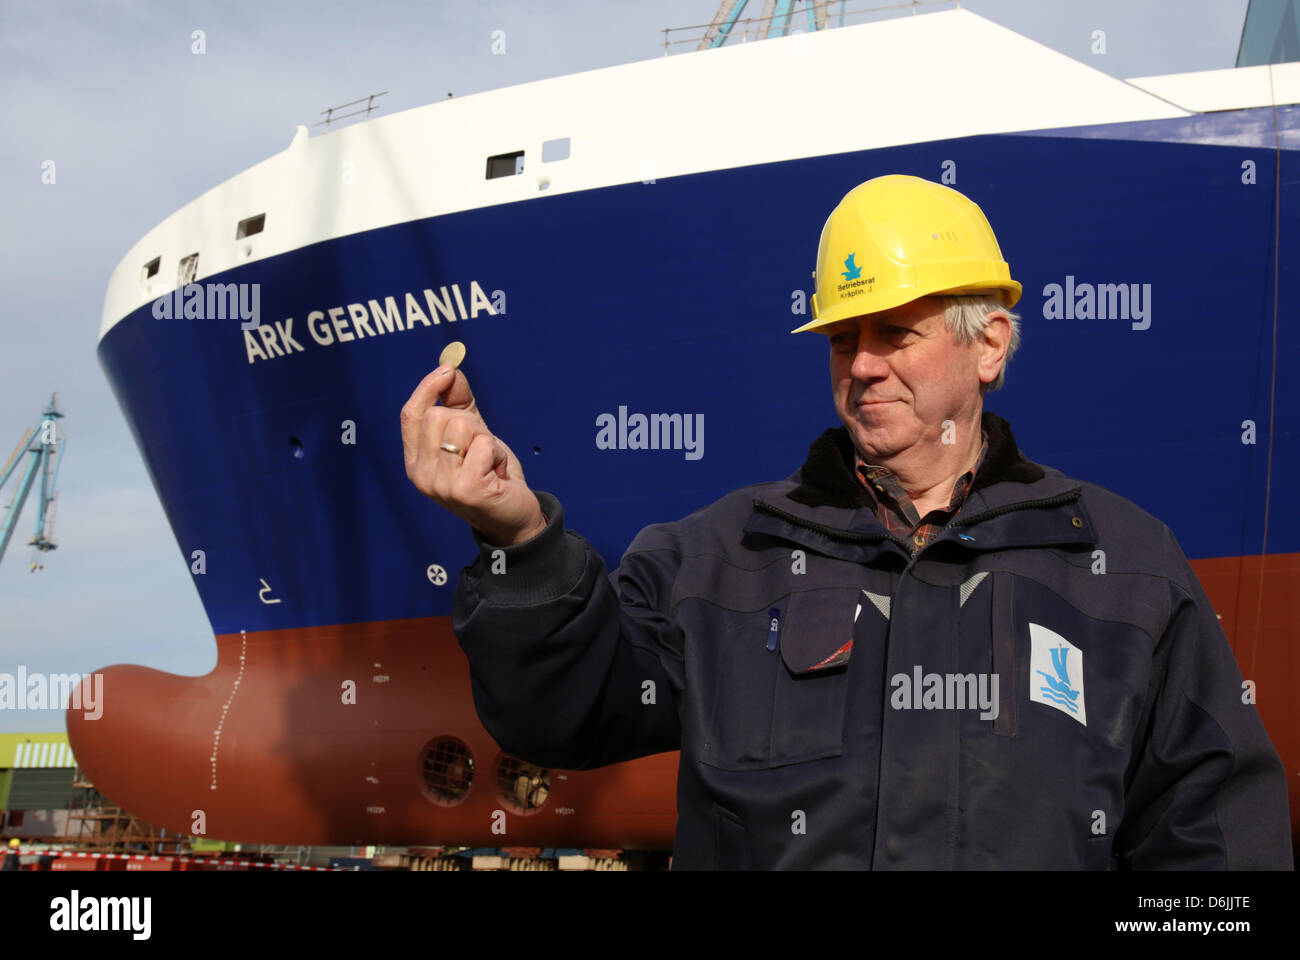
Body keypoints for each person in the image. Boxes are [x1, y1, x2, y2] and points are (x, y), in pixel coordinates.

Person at [401, 174, 1293, 869]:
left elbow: (1213, 844)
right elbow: (563, 716)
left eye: (893, 333)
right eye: (841, 338)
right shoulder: (722, 559)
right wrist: (520, 541)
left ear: (989, 345)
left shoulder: (1125, 570)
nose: (861, 365)